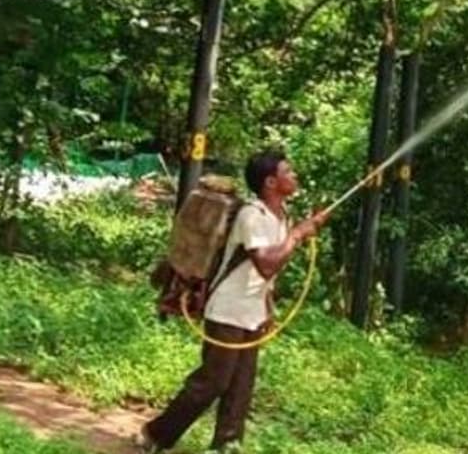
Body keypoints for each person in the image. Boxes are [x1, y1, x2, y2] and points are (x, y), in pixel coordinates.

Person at [137, 150, 330, 453]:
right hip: (227, 311)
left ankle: (227, 446)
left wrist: (268, 310)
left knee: (241, 387)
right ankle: (155, 434)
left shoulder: (281, 216)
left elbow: (266, 278)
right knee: (212, 382)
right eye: (288, 172)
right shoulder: (251, 215)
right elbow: (266, 264)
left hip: (253, 313)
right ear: (270, 182)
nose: (294, 176)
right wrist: (296, 236)